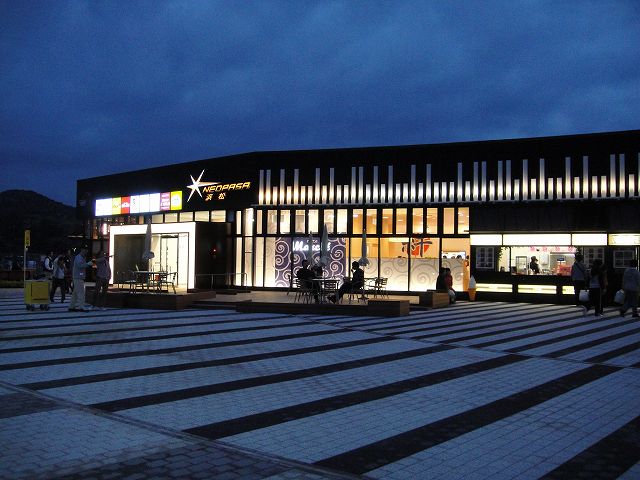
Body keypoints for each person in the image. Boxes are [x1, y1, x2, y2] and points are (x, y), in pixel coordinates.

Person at [68, 246, 92, 312]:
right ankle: (80, 307)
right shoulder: (79, 257)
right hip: (78, 277)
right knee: (81, 292)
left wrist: (87, 264)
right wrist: (88, 264)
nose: (86, 251)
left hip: (77, 277)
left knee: (75, 293)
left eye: (86, 250)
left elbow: (80, 265)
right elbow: (80, 265)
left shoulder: (81, 257)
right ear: (82, 250)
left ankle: (72, 306)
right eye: (85, 249)